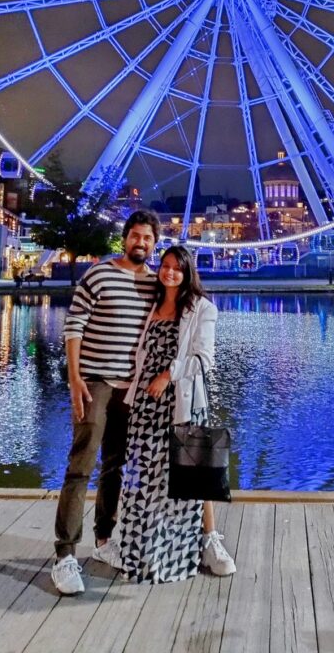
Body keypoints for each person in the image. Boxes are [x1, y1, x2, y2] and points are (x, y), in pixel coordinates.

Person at [104, 244, 236, 583]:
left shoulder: (201, 309)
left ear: (188, 272)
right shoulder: (150, 306)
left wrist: (168, 374)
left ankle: (202, 544)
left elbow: (204, 359)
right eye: (165, 266)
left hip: (179, 401)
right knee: (142, 480)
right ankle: (137, 549)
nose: (170, 272)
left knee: (191, 478)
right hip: (146, 404)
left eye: (177, 267)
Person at [51, 210, 160, 596]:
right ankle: (65, 554)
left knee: (115, 466)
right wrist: (74, 378)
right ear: (125, 238)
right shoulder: (98, 274)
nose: (141, 243)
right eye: (135, 236)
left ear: (154, 242)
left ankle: (103, 541)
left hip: (129, 390)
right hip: (95, 382)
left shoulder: (155, 283)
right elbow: (74, 325)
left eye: (147, 238)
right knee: (81, 463)